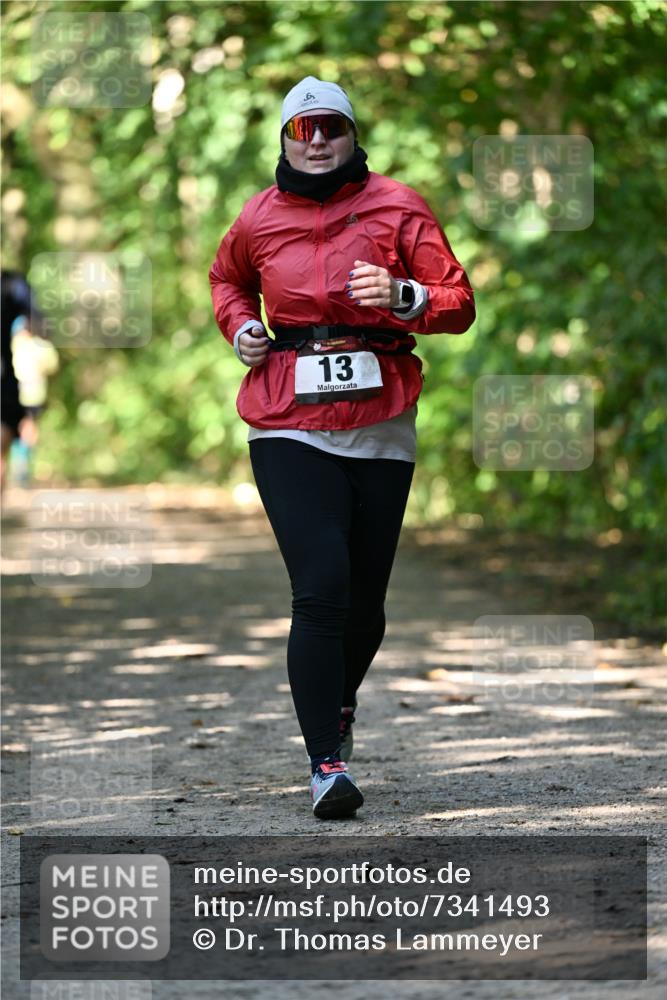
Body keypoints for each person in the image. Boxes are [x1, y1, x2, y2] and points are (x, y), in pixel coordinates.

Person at [209, 77, 475, 820]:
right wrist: (239, 330)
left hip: (380, 422)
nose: (316, 139)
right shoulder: (258, 216)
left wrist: (405, 298)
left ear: (353, 136)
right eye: (302, 130)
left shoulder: (398, 206)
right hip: (286, 417)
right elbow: (226, 280)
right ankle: (325, 764)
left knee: (364, 604)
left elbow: (457, 302)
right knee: (320, 585)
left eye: (330, 126)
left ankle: (338, 701)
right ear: (286, 141)